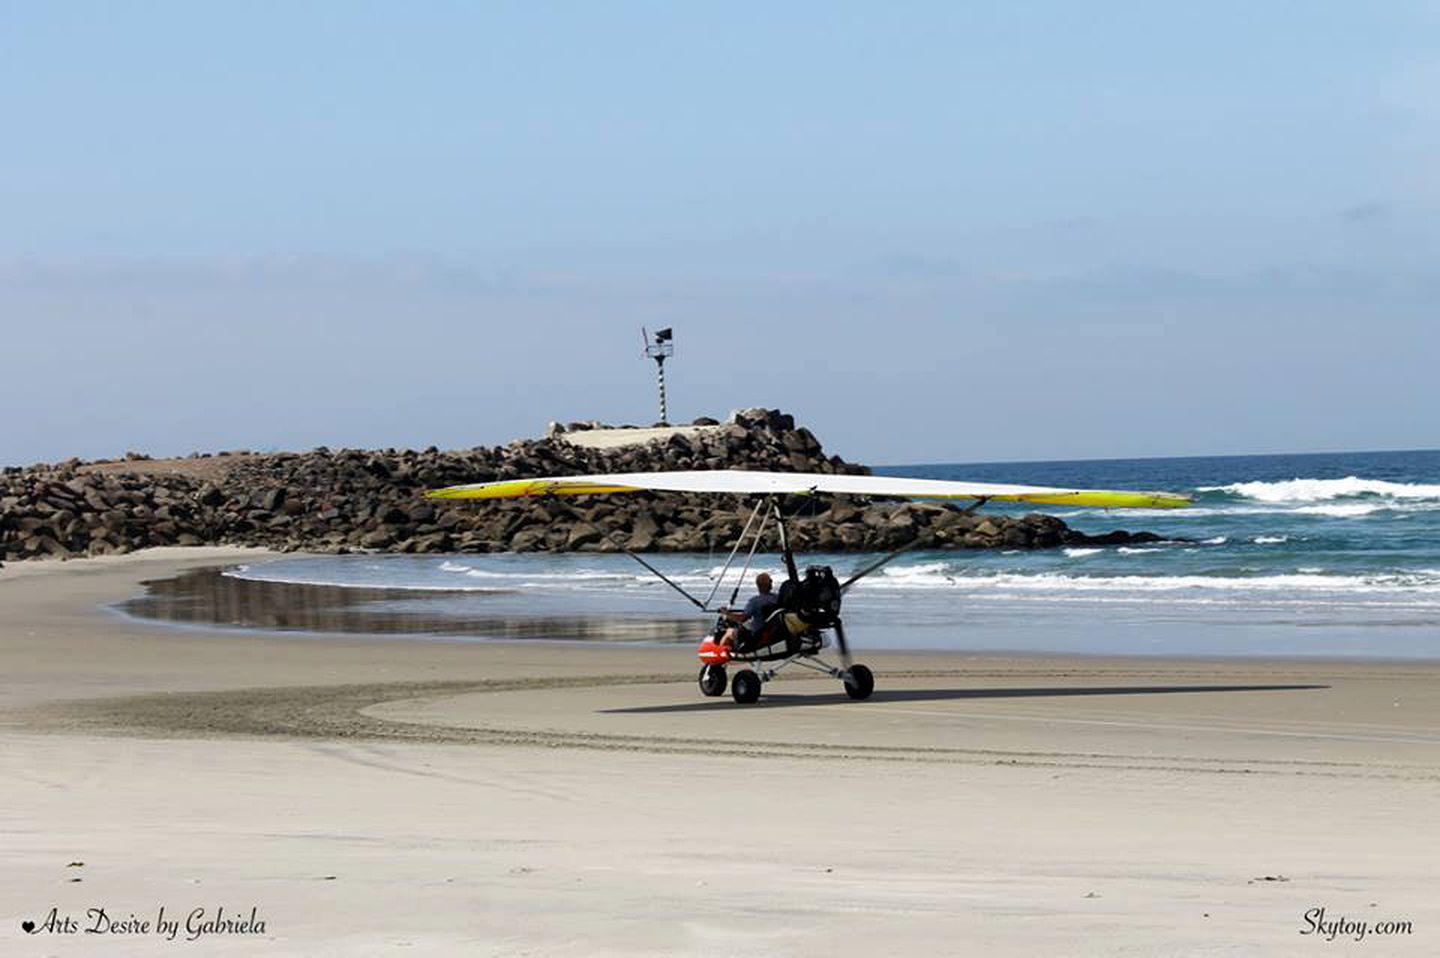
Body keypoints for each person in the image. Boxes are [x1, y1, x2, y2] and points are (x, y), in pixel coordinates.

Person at [719, 572, 781, 651]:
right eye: (770, 581)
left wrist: (726, 613)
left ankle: (720, 655)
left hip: (756, 636)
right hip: (772, 632)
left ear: (758, 585)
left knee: (730, 631)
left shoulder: (755, 601)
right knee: (745, 625)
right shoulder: (777, 598)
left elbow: (741, 619)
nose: (771, 582)